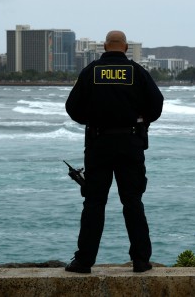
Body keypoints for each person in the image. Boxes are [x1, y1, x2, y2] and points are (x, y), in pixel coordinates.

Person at [64, 30, 164, 273]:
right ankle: (140, 260)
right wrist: (141, 120)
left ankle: (84, 261)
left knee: (94, 202)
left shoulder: (91, 72)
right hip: (130, 143)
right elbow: (157, 103)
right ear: (126, 47)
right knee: (132, 201)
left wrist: (93, 120)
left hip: (99, 144)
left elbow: (72, 107)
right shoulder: (138, 72)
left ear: (105, 47)